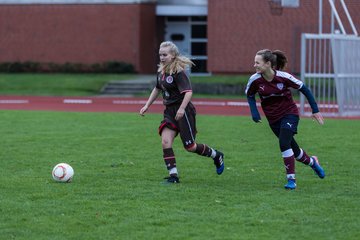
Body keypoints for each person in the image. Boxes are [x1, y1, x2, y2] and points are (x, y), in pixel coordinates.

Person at [139, 41, 224, 183]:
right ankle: (173, 176)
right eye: (160, 54)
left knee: (190, 147)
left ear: (173, 55)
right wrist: (147, 105)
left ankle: (216, 155)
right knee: (165, 141)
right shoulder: (162, 71)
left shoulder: (178, 72)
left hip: (183, 111)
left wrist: (182, 108)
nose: (161, 57)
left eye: (165, 54)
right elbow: (157, 88)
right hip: (169, 112)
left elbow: (188, 92)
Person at [245, 49, 325, 190]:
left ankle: (291, 180)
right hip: (273, 119)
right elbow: (250, 95)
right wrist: (254, 112)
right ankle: (313, 162)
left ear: (268, 63)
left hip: (289, 114)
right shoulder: (255, 80)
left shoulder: (284, 77)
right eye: (254, 62)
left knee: (283, 143)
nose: (254, 65)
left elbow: (304, 89)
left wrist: (315, 110)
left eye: (257, 62)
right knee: (294, 151)